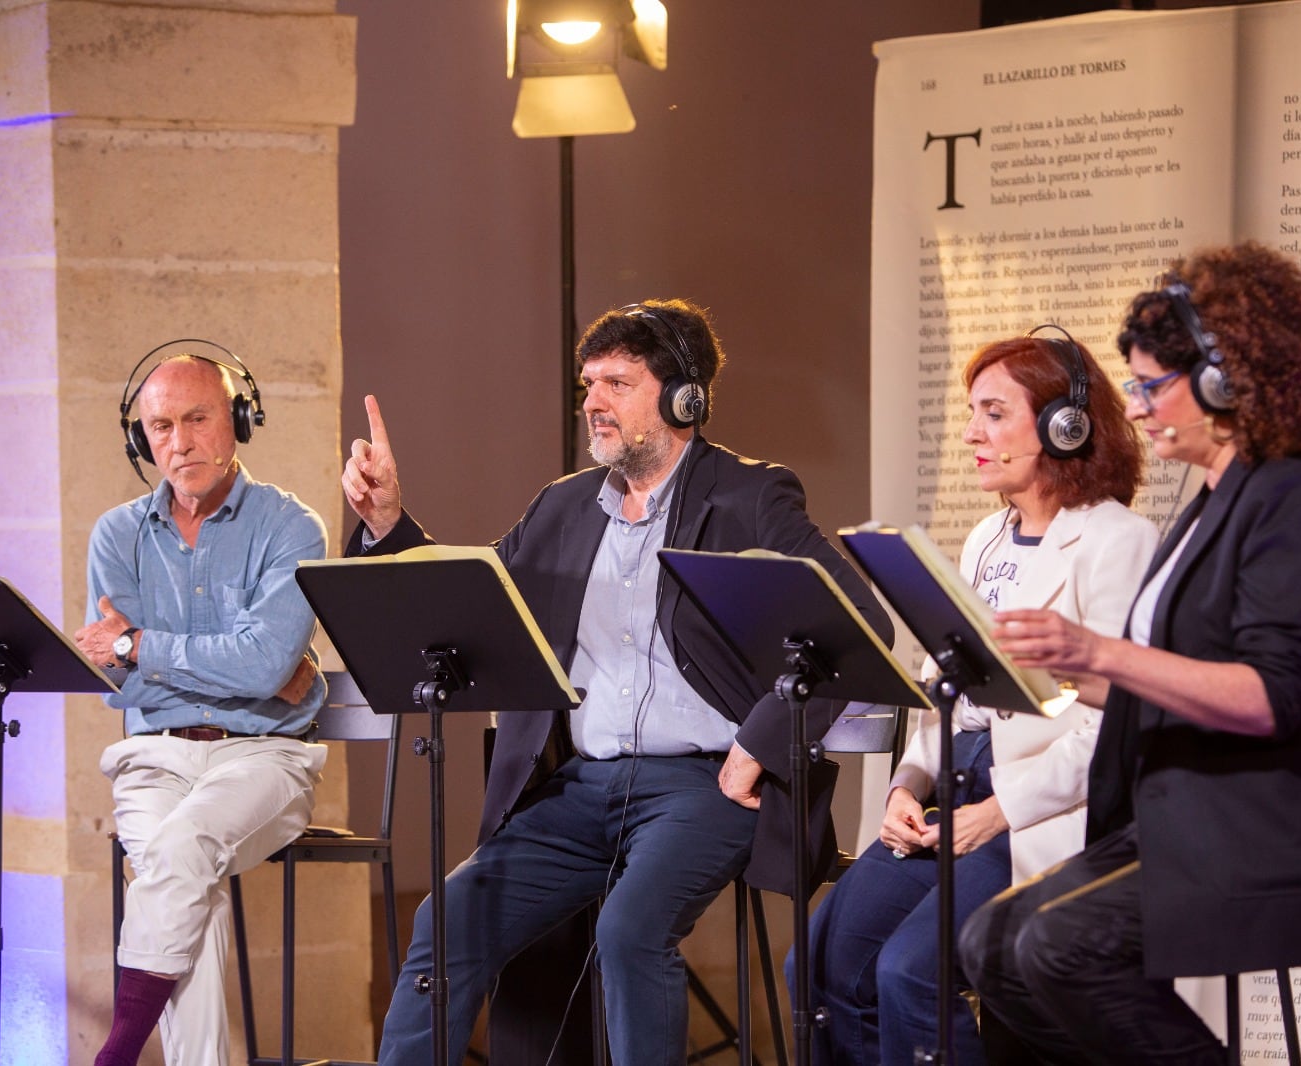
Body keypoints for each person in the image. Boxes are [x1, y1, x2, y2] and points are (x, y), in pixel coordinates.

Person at [341, 299, 893, 1066]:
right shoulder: (564, 505)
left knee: (629, 931)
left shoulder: (748, 497)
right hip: (582, 789)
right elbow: (473, 597)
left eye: (618, 383)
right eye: (588, 383)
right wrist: (388, 525)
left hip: (706, 786)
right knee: (448, 918)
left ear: (683, 399)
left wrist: (759, 746)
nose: (593, 402)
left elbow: (858, 623)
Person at [960, 242, 1301, 1064]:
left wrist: (1103, 655)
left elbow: (1268, 697)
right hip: (1204, 820)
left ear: (1227, 382)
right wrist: (1062, 673)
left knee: (1054, 946)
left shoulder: (1299, 501)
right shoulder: (1206, 509)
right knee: (992, 943)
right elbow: (1166, 688)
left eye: (1154, 386)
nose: (1139, 406)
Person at [788, 330, 1158, 1066]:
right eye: (971, 412)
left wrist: (998, 812)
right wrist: (905, 783)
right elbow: (943, 685)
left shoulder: (1120, 542)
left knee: (907, 976)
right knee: (816, 971)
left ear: (1065, 425)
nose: (969, 434)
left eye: (993, 413)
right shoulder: (986, 536)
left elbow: (1114, 721)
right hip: (950, 786)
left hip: (1033, 809)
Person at [75, 352, 329, 1066]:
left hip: (264, 758)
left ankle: (117, 1051)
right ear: (141, 440)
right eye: (161, 426)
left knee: (180, 856)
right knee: (189, 883)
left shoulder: (291, 528)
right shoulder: (115, 536)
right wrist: (243, 663)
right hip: (152, 757)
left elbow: (266, 664)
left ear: (239, 422)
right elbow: (134, 685)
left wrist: (138, 643)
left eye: (197, 419)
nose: (179, 442)